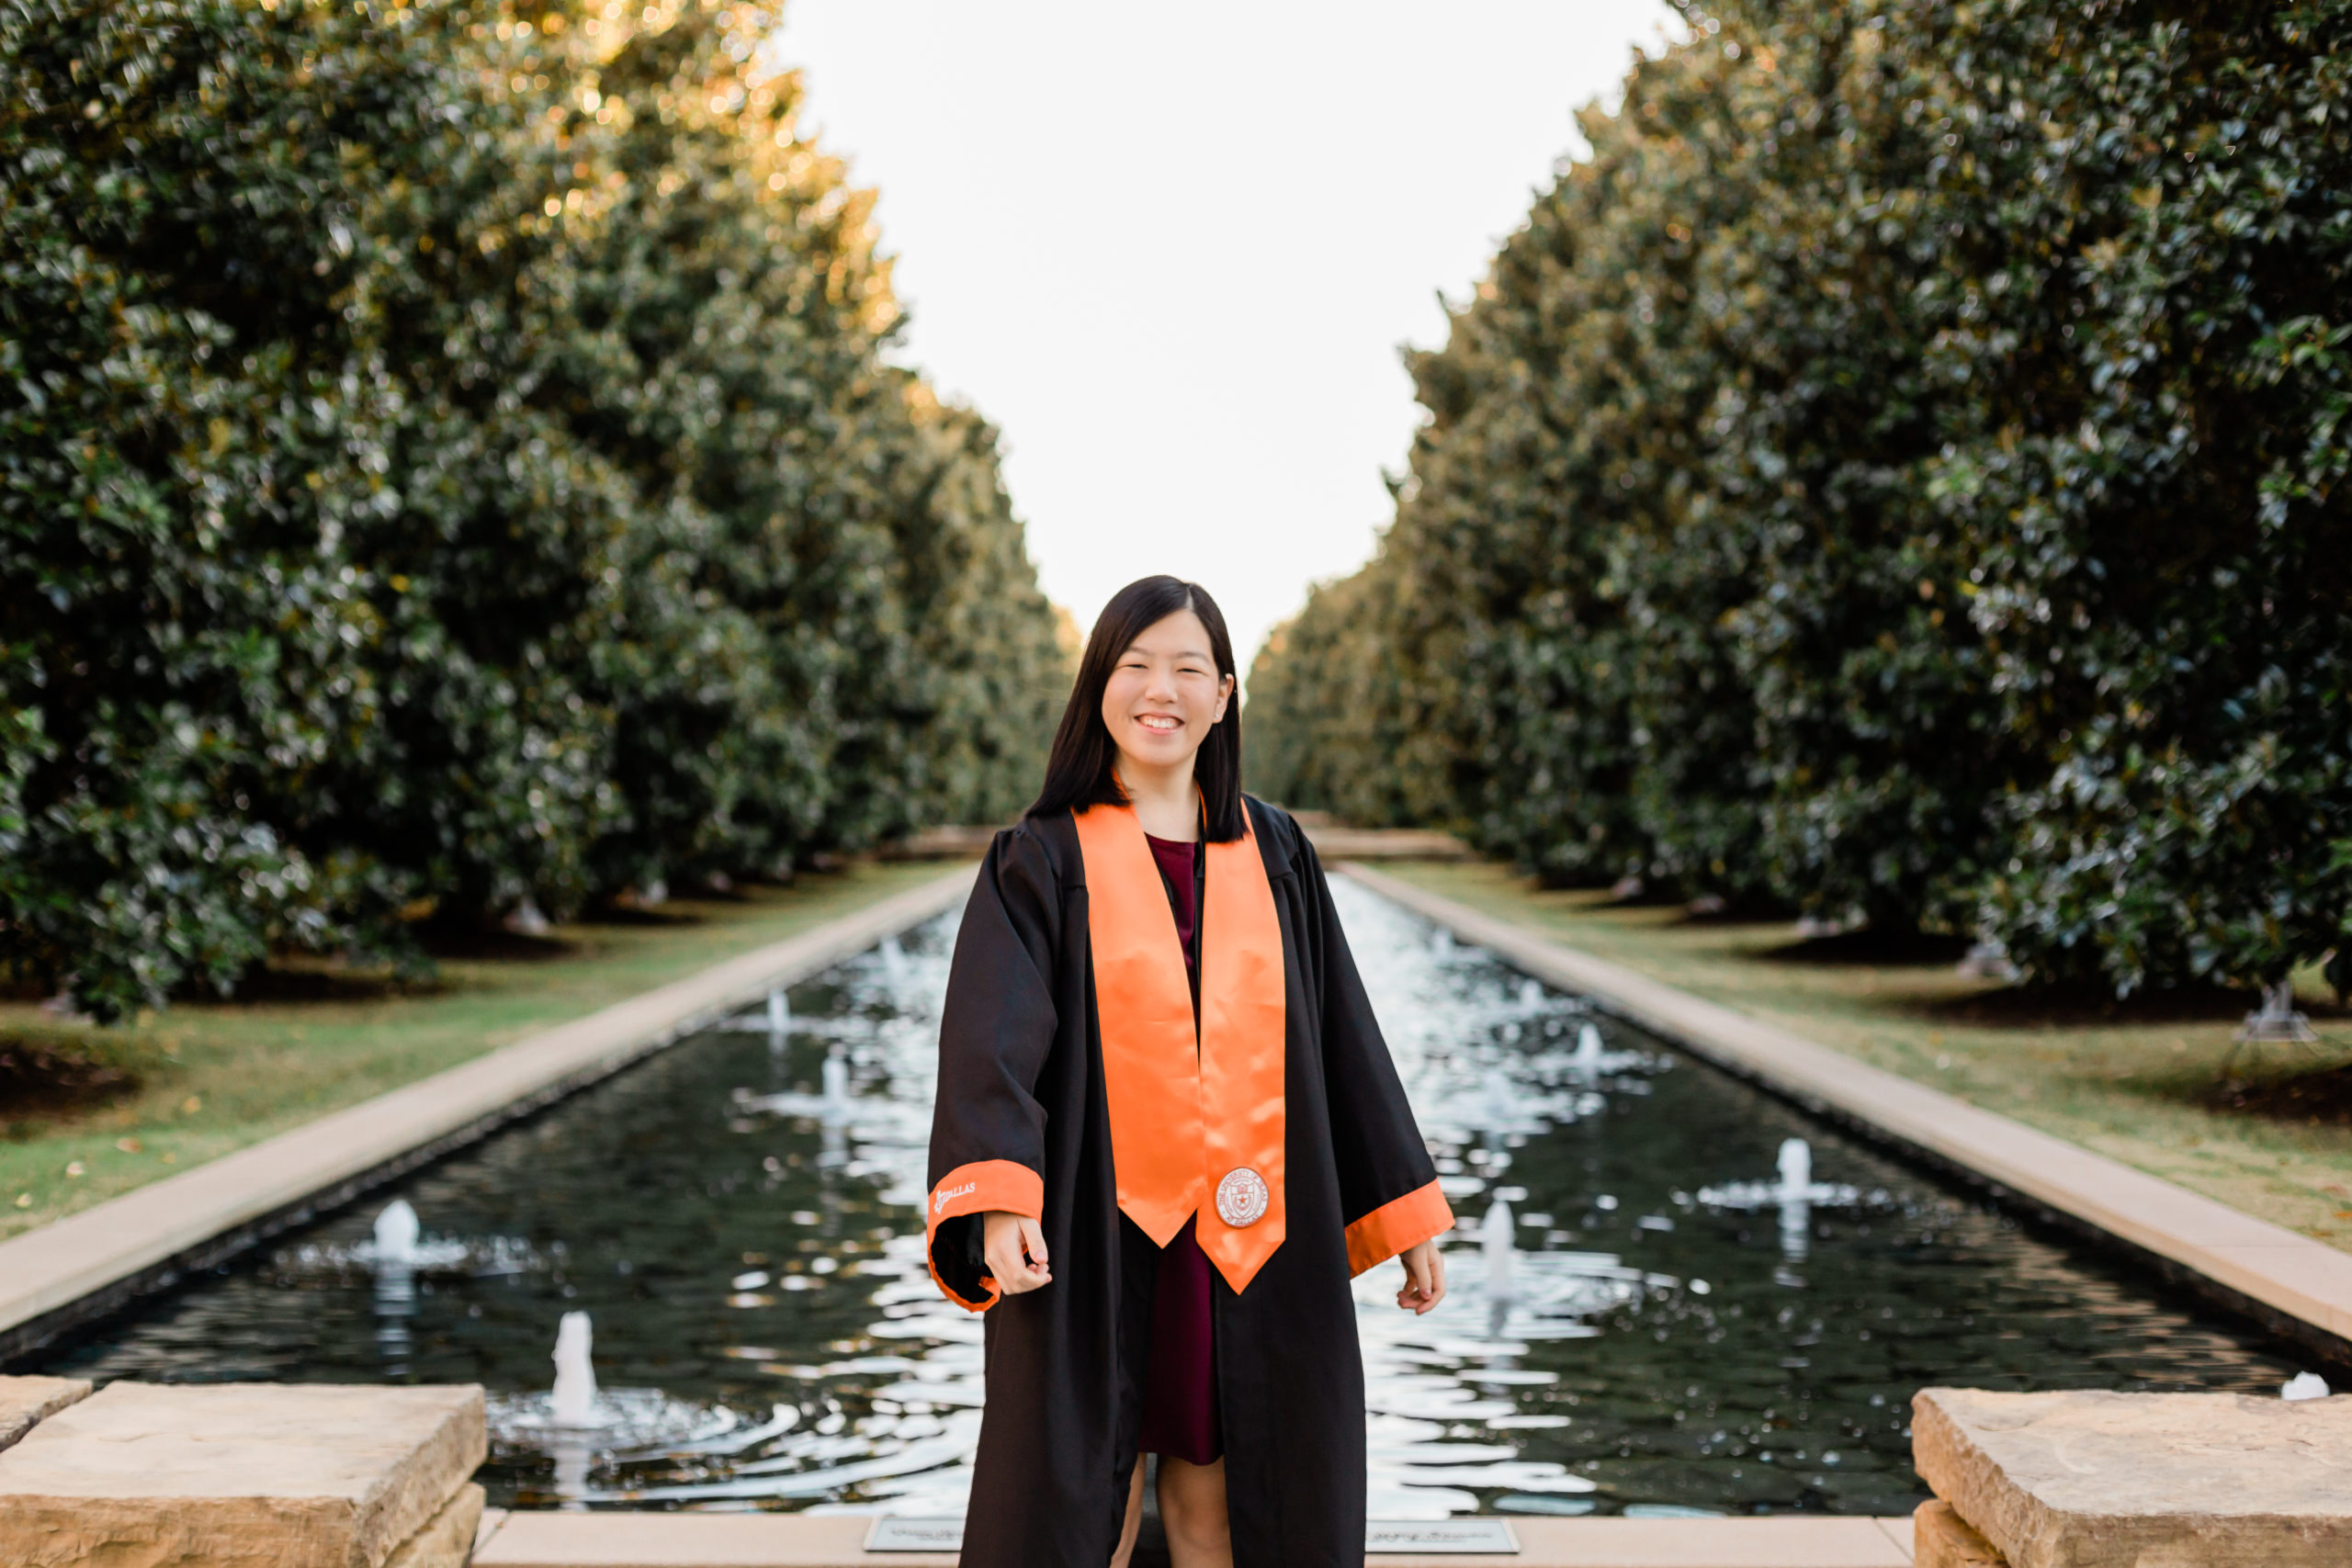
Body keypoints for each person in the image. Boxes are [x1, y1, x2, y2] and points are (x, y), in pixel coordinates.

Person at [923, 575, 1453, 1568]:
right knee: (1094, 1493)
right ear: (1098, 689)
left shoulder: (1277, 851)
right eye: (1133, 666)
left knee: (1220, 1499)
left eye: (1185, 668)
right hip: (1092, 1233)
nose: (1158, 690)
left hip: (1251, 1238)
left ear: (1224, 693)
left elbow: (1342, 1037)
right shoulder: (1039, 860)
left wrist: (1403, 1213)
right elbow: (992, 1040)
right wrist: (998, 1198)